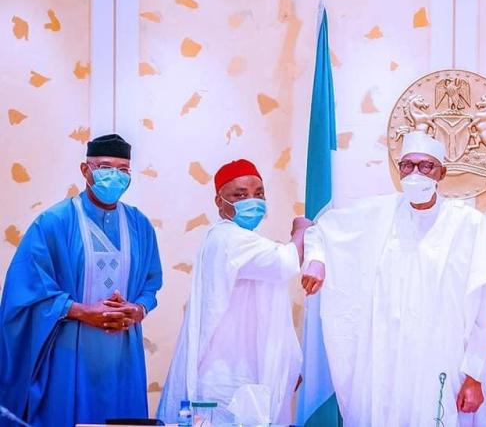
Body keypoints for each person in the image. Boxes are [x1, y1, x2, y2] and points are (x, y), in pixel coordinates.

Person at [301, 131, 486, 426]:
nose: (415, 173)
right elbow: (319, 231)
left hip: (444, 360)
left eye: (426, 166)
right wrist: (316, 259)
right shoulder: (380, 214)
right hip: (387, 359)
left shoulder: (469, 225)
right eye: (407, 165)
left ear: (441, 173)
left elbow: (485, 311)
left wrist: (474, 376)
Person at [0, 134, 163, 426]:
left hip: (123, 355)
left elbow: (151, 283)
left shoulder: (140, 225)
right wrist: (81, 311)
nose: (115, 176)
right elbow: (25, 290)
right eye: (105, 167)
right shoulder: (54, 222)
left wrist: (139, 309)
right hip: (68, 355)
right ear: (85, 170)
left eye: (123, 170)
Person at [158, 159, 312, 424]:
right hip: (224, 377)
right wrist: (301, 230)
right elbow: (284, 262)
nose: (252, 201)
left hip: (242, 373)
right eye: (240, 195)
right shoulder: (227, 237)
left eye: (259, 194)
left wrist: (286, 362)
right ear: (219, 202)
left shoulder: (244, 239)